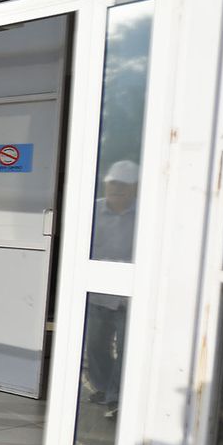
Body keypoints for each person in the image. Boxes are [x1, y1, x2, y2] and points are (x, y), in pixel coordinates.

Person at [86, 160, 140, 410]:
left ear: (134, 188)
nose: (116, 189)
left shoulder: (145, 214)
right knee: (95, 344)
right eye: (112, 183)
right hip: (97, 290)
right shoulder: (92, 210)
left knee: (127, 348)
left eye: (123, 185)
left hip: (130, 293)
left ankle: (116, 396)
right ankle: (104, 387)